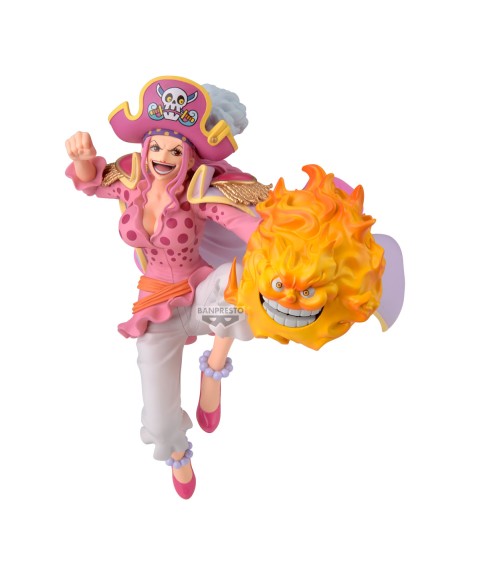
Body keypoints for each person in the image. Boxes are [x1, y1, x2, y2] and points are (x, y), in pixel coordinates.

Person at [65, 76, 270, 499]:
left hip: (201, 299)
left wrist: (282, 241)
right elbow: (93, 182)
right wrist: (84, 160)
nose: (163, 157)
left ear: (189, 156)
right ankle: (178, 453)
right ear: (145, 149)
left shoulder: (198, 192)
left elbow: (245, 226)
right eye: (156, 147)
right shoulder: (131, 183)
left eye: (175, 151)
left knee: (239, 282)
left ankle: (213, 370)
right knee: (158, 422)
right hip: (154, 309)